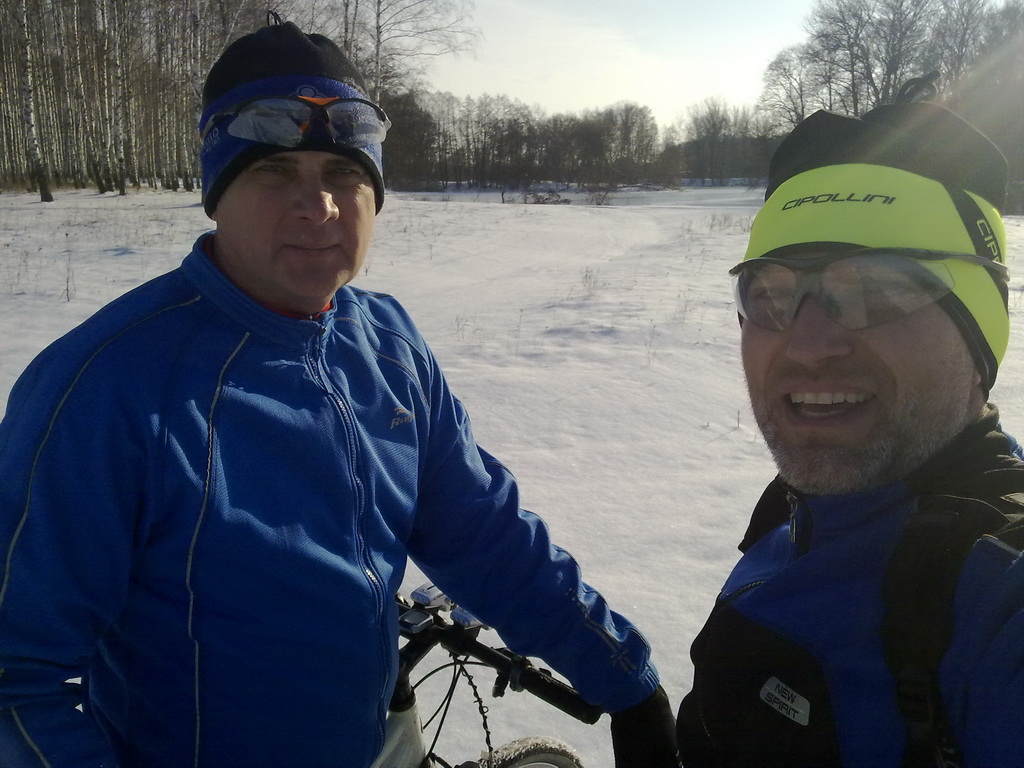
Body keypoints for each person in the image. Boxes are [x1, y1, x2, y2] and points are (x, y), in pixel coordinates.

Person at [0, 18, 678, 768]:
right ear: (217, 192)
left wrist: (626, 681)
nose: (318, 206)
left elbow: (483, 533)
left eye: (343, 174)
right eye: (275, 171)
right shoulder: (108, 388)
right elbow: (15, 680)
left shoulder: (387, 344)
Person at [675, 86, 1024, 768]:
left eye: (878, 289)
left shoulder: (997, 592)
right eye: (772, 294)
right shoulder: (796, 515)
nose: (807, 345)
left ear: (979, 335)